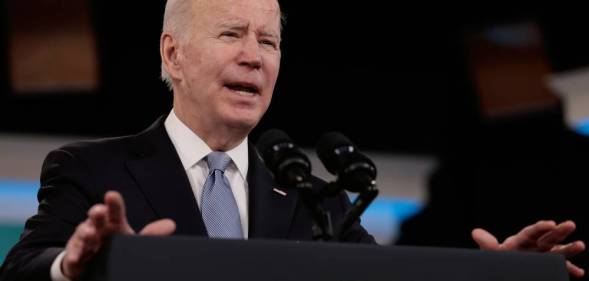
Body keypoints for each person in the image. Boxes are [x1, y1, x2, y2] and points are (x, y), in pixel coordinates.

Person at [0, 0, 585, 280]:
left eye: (269, 41)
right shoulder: (91, 169)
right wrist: (75, 267)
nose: (254, 56)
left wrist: (495, 279)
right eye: (232, 33)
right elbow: (24, 269)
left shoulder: (315, 200)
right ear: (172, 54)